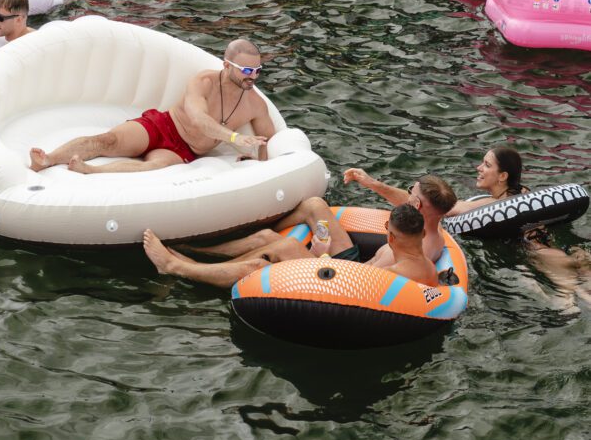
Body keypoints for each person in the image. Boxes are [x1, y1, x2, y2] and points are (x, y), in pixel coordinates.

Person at [29, 38, 275, 174]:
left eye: (257, 71)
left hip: (185, 151)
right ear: (227, 65)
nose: (252, 76)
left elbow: (270, 143)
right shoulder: (204, 82)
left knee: (155, 167)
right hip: (163, 126)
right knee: (107, 140)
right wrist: (234, 138)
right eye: (246, 70)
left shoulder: (255, 104)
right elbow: (200, 120)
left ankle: (91, 171)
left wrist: (256, 155)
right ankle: (48, 159)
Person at [142, 203, 438, 288]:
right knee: (269, 239)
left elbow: (354, 288)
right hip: (344, 272)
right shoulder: (408, 253)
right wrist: (319, 256)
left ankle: (177, 266)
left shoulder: (400, 275)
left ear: (390, 234)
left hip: (337, 289)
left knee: (261, 265)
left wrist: (319, 262)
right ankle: (193, 251)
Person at [446, 146, 591, 304]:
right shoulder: (524, 192)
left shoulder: (494, 204)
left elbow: (450, 209)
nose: (478, 168)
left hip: (545, 256)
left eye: (486, 165)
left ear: (502, 176)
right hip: (570, 252)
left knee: (570, 303)